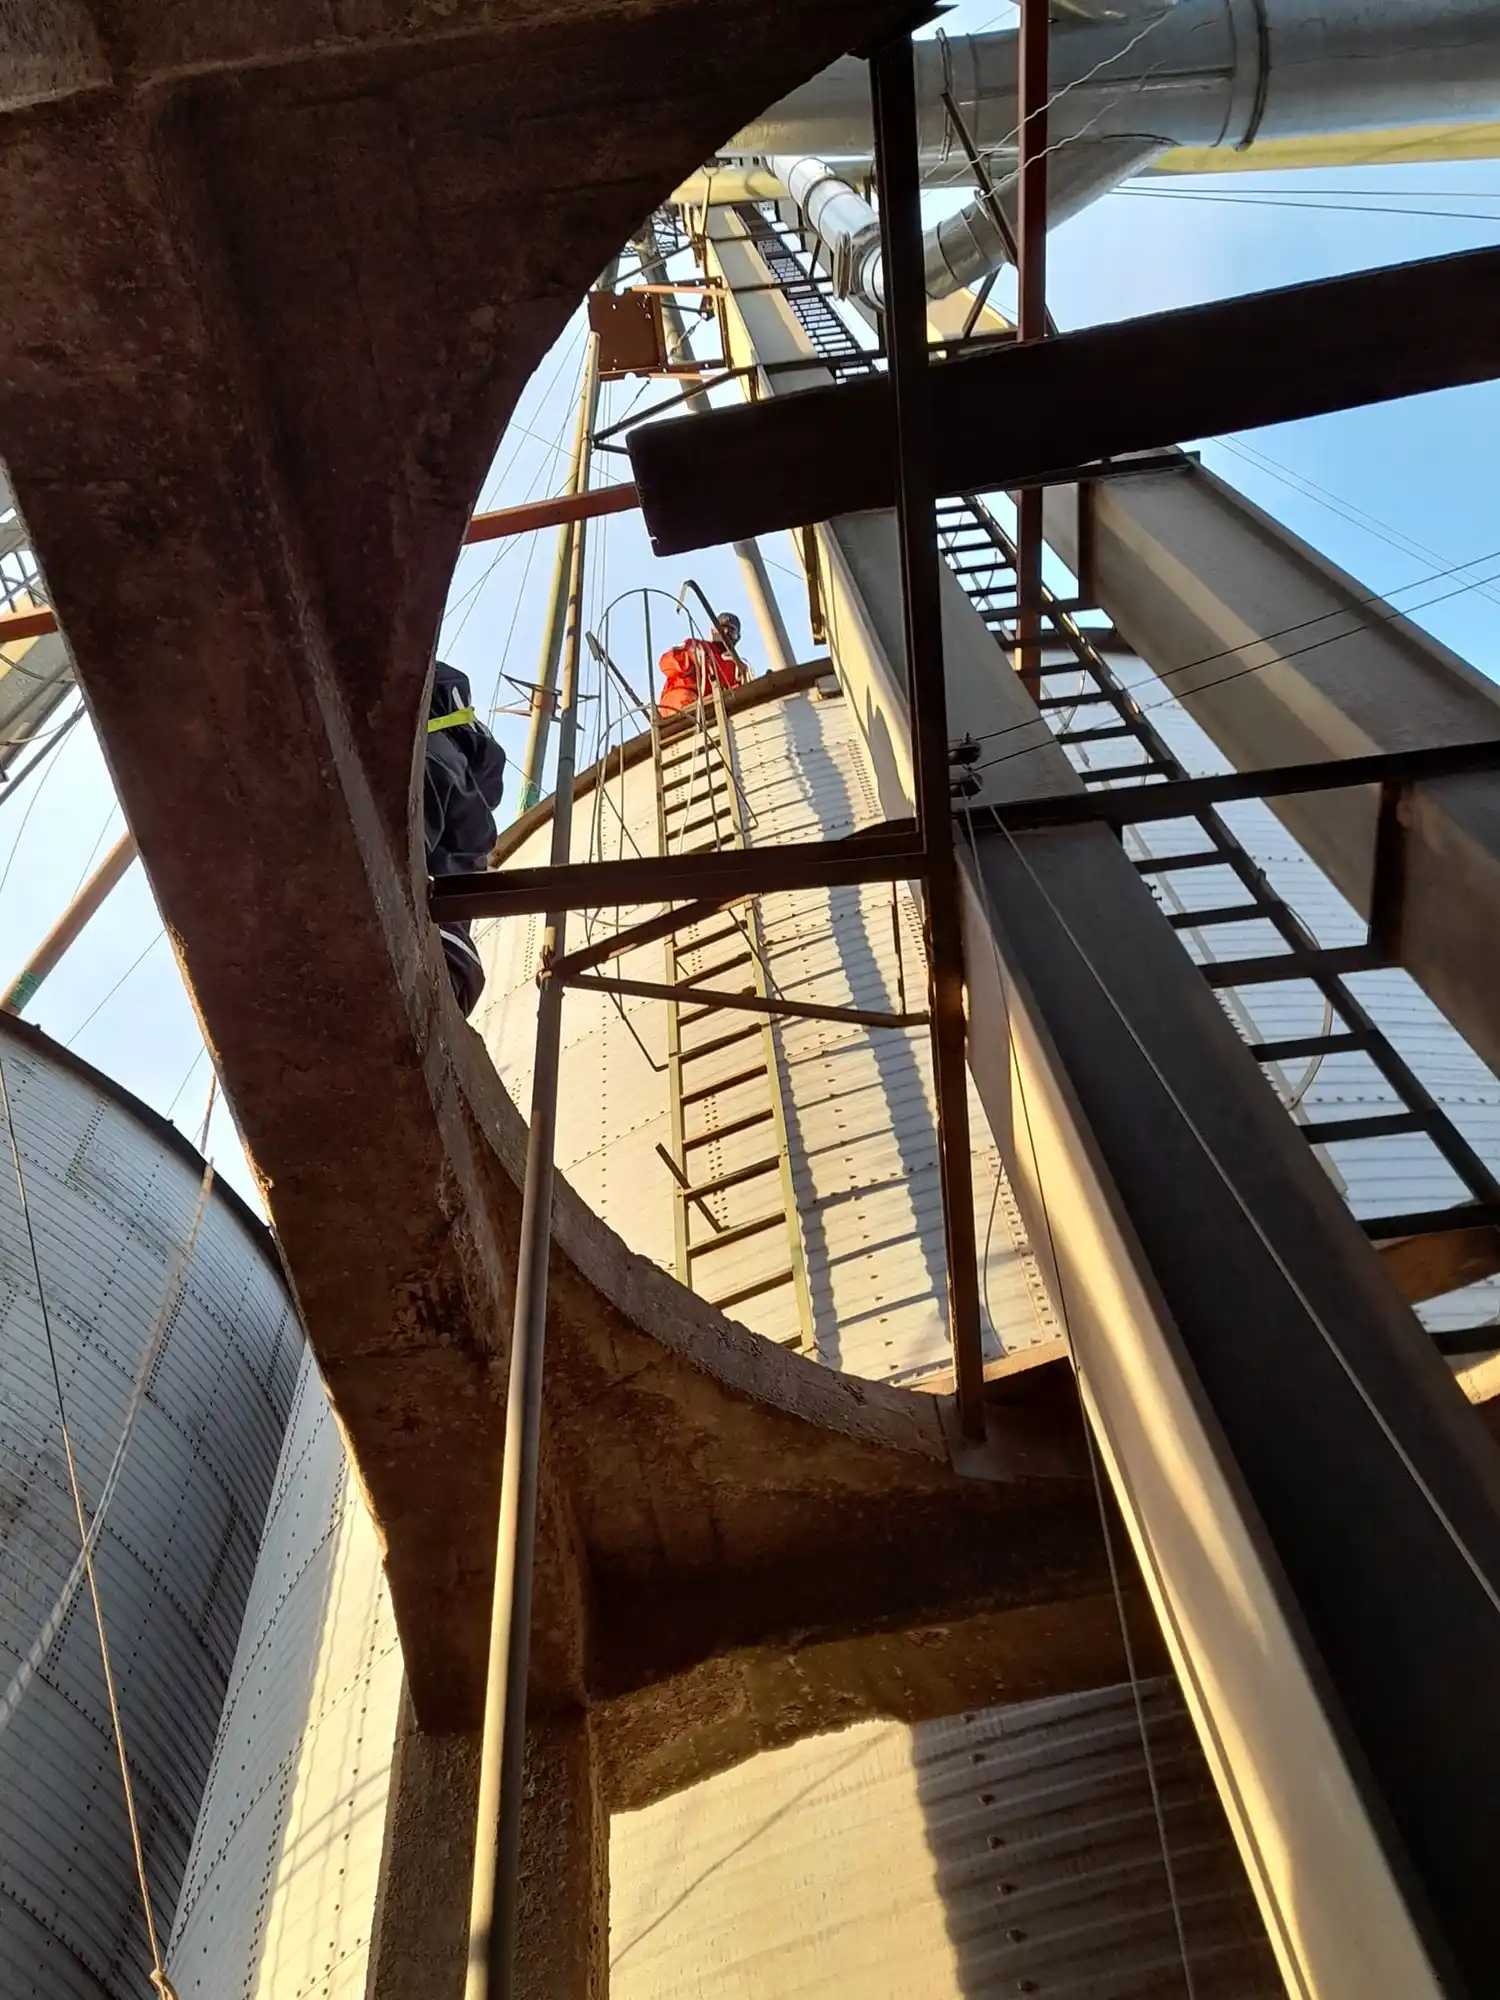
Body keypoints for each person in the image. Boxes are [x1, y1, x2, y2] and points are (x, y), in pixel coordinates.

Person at [424, 658, 506, 1015]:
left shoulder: (431, 757)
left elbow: (393, 863)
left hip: (433, 953)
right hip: (451, 966)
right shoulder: (457, 771)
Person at [656, 611, 745, 716]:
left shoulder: (736, 667)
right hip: (680, 704)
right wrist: (687, 659)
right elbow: (665, 663)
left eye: (732, 631)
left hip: (711, 711)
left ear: (737, 637)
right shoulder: (697, 647)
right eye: (722, 628)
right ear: (713, 631)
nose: (726, 633)